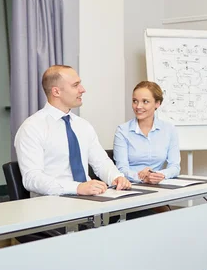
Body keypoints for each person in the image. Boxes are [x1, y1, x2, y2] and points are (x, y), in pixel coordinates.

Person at [15, 65, 132, 197]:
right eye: (75, 85)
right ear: (56, 92)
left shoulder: (83, 125)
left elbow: (101, 162)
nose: (82, 90)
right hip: (52, 205)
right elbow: (32, 178)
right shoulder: (32, 128)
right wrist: (77, 188)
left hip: (89, 201)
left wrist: (116, 177)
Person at [113, 81, 180, 184]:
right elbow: (121, 169)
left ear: (157, 103)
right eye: (135, 101)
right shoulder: (122, 131)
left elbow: (175, 167)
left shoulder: (169, 129)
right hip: (130, 185)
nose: (138, 106)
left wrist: (156, 175)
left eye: (145, 101)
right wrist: (142, 177)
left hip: (158, 184)